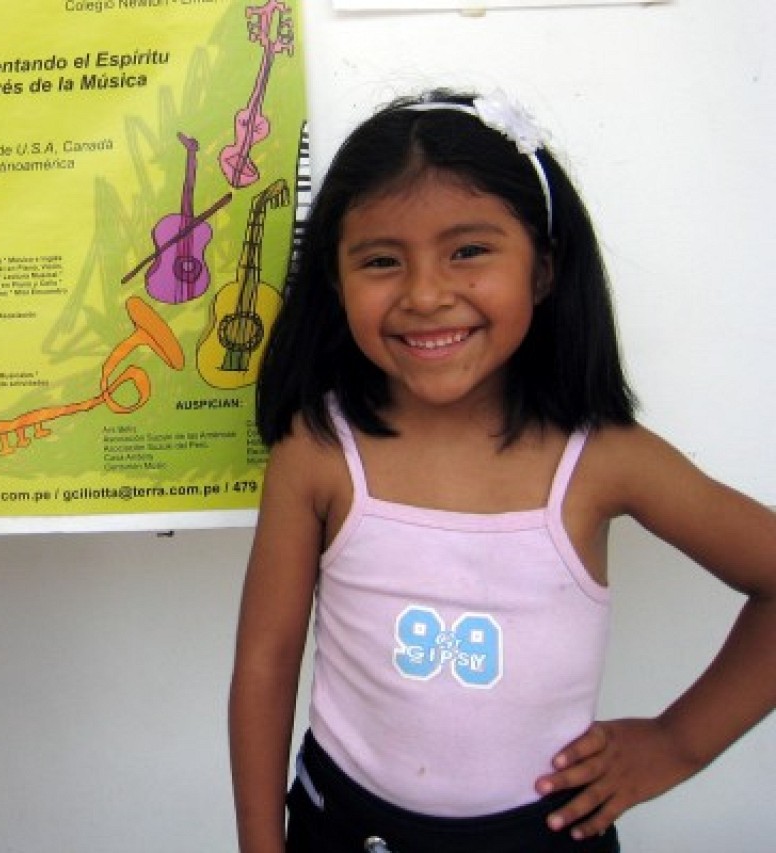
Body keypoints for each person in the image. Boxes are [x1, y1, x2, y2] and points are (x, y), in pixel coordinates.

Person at [228, 88, 776, 852]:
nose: (425, 294)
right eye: (382, 260)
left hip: (546, 831)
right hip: (344, 825)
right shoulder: (318, 448)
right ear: (334, 280)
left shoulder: (604, 458)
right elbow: (266, 657)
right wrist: (261, 841)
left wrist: (676, 742)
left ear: (545, 271)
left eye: (469, 251)